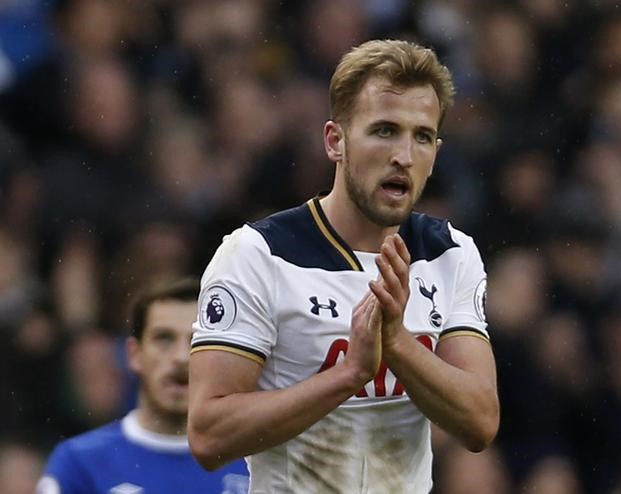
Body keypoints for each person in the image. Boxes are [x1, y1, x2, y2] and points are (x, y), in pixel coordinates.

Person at [188, 39, 500, 493]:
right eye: (384, 130)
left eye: (422, 136)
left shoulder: (451, 252)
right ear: (336, 141)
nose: (404, 156)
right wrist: (348, 375)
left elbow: (481, 421)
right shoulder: (258, 255)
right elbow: (208, 434)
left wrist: (397, 343)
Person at [36, 278, 250, 494]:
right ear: (134, 354)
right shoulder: (80, 463)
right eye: (164, 339)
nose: (182, 357)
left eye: (197, 341)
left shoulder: (252, 462)